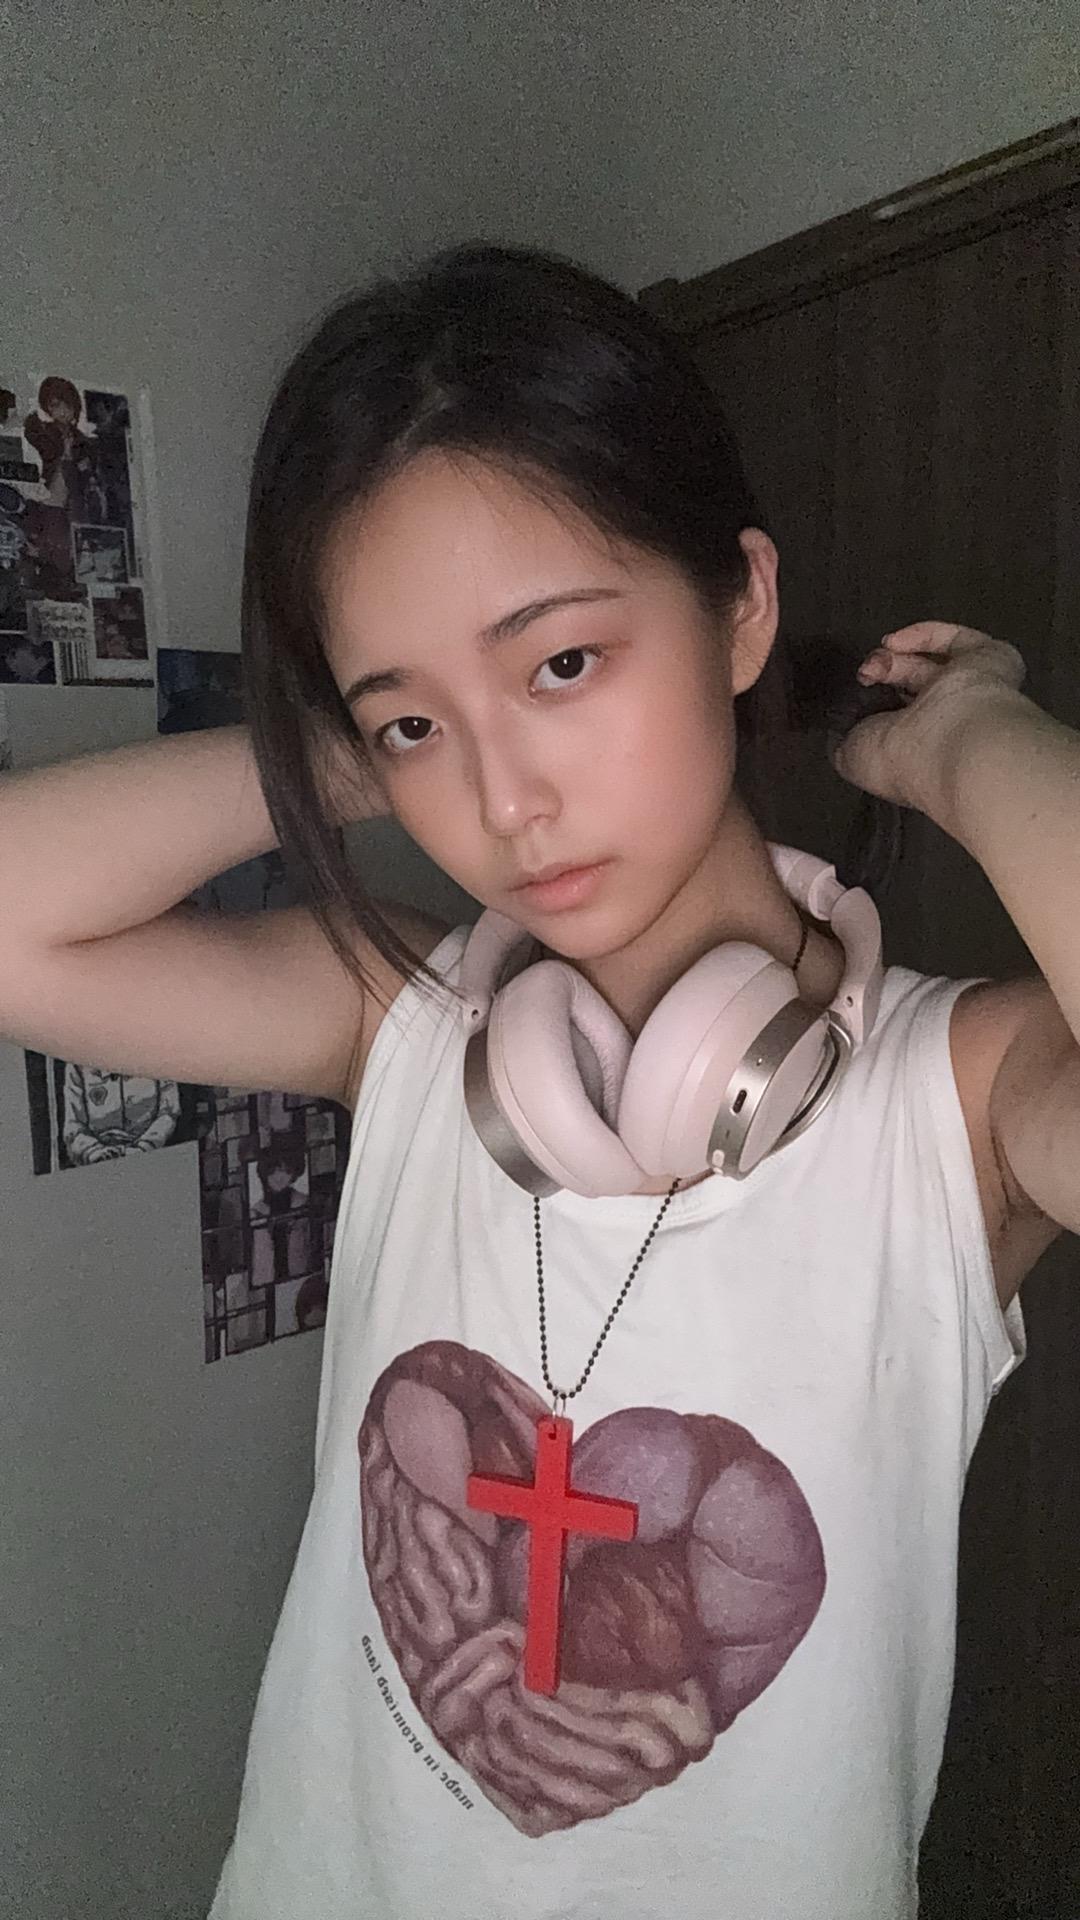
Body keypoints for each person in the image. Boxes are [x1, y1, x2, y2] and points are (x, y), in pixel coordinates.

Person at [0, 243, 1077, 1920]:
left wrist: (968, 743)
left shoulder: (954, 1106)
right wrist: (362, 750)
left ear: (742, 607)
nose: (505, 804)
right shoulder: (406, 1024)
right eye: (415, 726)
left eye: (561, 664)